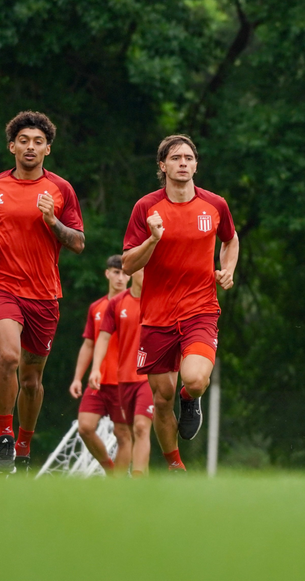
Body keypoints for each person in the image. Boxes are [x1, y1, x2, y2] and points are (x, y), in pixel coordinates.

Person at [0, 111, 85, 474]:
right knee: (8, 358)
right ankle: (4, 436)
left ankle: (23, 444)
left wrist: (53, 221)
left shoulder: (61, 190)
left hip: (44, 295)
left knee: (32, 379)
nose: (30, 147)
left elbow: (79, 243)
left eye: (38, 141)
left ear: (48, 149)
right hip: (0, 284)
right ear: (12, 146)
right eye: (24, 140)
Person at [122, 134, 239, 472]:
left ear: (196, 164)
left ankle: (191, 400)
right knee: (161, 399)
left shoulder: (215, 204)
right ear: (163, 166)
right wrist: (154, 239)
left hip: (200, 310)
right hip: (157, 316)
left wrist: (227, 270)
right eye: (175, 158)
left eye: (189, 158)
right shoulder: (146, 208)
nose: (183, 163)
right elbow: (128, 264)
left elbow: (230, 240)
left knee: (195, 379)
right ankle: (175, 465)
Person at [68, 255, 131, 474]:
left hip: (125, 381)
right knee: (85, 427)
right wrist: (77, 377)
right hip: (99, 380)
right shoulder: (96, 307)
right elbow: (88, 344)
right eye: (116, 272)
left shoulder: (136, 306)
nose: (120, 278)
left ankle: (119, 486)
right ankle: (110, 469)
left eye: (125, 273)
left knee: (123, 434)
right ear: (107, 274)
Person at [89, 268, 153, 476]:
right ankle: (139, 477)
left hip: (149, 377)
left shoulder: (158, 301)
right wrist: (96, 368)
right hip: (123, 379)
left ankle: (137, 479)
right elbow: (103, 337)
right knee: (126, 432)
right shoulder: (116, 304)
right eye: (145, 270)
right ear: (134, 272)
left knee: (142, 427)